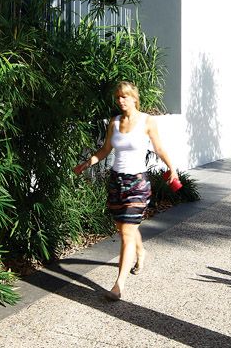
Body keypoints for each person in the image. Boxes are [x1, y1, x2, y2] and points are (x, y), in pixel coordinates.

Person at [74, 81, 177, 302]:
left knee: (126, 233)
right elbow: (104, 150)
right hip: (116, 181)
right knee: (124, 229)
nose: (121, 101)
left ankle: (118, 285)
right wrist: (86, 163)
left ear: (134, 98)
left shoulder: (147, 121)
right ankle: (140, 252)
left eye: (125, 97)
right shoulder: (114, 122)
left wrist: (172, 168)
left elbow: (158, 147)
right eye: (118, 97)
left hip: (138, 182)